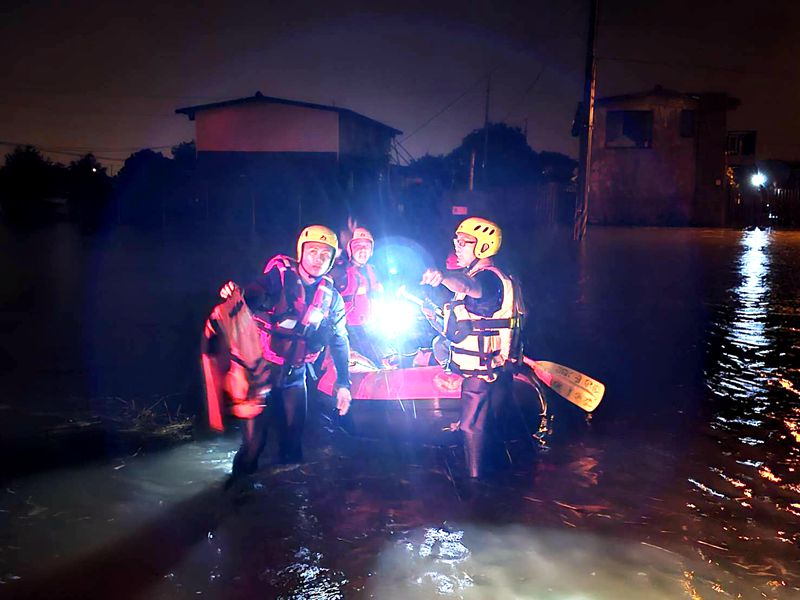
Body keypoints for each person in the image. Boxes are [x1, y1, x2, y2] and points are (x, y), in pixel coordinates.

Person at [220, 225, 352, 476]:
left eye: (326, 254)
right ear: (301, 252)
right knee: (254, 445)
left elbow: (339, 340)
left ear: (332, 260)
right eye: (312, 251)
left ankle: (289, 503)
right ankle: (236, 497)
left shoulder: (332, 298)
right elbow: (253, 294)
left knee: (293, 442)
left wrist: (343, 384)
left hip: (295, 375)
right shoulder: (277, 279)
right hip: (259, 372)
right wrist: (238, 294)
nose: (318, 259)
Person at [420, 216, 523, 478]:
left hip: (482, 373)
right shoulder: (498, 276)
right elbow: (463, 327)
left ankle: (474, 488)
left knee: (471, 428)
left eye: (464, 242)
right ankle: (505, 476)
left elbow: (470, 287)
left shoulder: (487, 280)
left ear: (483, 248)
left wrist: (442, 276)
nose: (457, 246)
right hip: (497, 370)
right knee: (491, 427)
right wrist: (434, 316)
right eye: (457, 240)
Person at [330, 226, 385, 365]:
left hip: (373, 328)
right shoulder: (340, 272)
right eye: (357, 246)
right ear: (350, 250)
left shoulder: (373, 271)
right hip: (349, 331)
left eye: (366, 246)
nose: (362, 250)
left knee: (387, 360)